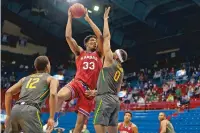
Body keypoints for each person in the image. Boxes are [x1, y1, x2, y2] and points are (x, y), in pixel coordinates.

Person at [56, 7, 104, 133]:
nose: (95, 42)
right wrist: (69, 17)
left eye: (95, 41)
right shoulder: (80, 52)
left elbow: (100, 36)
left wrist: (88, 19)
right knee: (60, 95)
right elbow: (68, 36)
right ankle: (54, 117)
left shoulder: (99, 54)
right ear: (86, 43)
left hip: (89, 91)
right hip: (77, 83)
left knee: (80, 124)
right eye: (92, 41)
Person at [93, 7, 128, 133]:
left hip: (105, 98)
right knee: (113, 128)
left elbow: (106, 37)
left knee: (98, 122)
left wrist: (105, 19)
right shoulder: (121, 70)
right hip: (114, 100)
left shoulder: (109, 59)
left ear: (116, 56)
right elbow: (118, 89)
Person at [4, 56, 59, 133]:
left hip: (15, 109)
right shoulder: (51, 79)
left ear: (36, 67)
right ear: (47, 66)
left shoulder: (25, 78)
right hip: (31, 110)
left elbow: (8, 93)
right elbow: (53, 94)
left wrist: (8, 115)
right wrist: (51, 117)